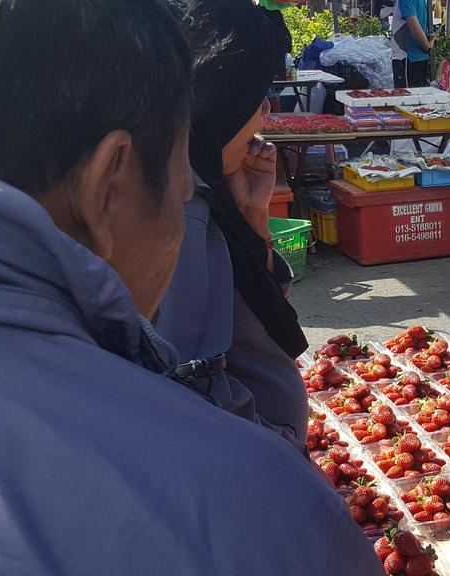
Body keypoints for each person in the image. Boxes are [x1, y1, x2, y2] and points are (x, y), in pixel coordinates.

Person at [0, 1, 383, 573]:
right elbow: (192, 384)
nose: (267, 113)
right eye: (179, 186)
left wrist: (252, 227)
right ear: (109, 188)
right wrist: (270, 468)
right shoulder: (253, 509)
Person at [156, 0, 310, 453]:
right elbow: (190, 378)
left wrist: (251, 213)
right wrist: (275, 445)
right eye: (256, 95)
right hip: (254, 458)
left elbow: (253, 312)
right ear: (221, 95)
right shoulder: (182, 214)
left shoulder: (207, 189)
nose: (264, 113)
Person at [392, 0, 435, 87]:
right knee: (411, 96)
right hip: (407, 57)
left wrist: (427, 47)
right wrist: (427, 47)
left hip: (412, 57)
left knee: (411, 97)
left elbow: (416, 27)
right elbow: (415, 27)